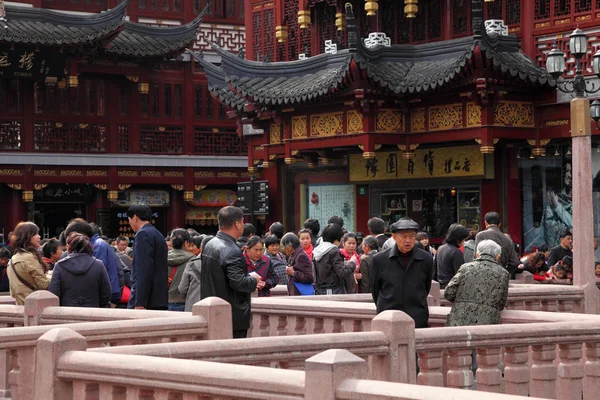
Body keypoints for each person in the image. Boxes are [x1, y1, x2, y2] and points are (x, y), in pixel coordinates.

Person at [201, 206, 261, 338]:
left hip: (212, 310)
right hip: (231, 314)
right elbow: (238, 283)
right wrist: (253, 279)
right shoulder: (231, 250)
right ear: (237, 224)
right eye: (243, 222)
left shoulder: (210, 244)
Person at [371, 218, 433, 328]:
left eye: (412, 236)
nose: (408, 240)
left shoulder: (426, 259)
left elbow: (426, 287)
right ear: (394, 237)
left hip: (417, 317)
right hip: (388, 317)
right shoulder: (380, 259)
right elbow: (375, 290)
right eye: (404, 236)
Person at [445, 240, 510, 327]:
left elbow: (448, 292)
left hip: (459, 319)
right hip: (488, 322)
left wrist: (463, 302)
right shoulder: (503, 274)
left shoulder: (466, 268)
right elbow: (501, 303)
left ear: (477, 254)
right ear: (497, 256)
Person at [65, 220, 122, 305]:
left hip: (105, 296)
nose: (71, 240)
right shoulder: (95, 244)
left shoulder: (98, 245)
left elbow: (97, 274)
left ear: (83, 235)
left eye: (72, 236)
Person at [48, 233, 112, 307]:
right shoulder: (98, 265)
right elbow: (106, 293)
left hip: (66, 312)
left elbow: (54, 293)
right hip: (92, 311)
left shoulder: (60, 266)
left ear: (69, 248)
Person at [127, 203, 169, 310]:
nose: (130, 223)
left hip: (146, 300)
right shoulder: (157, 234)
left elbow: (143, 269)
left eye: (129, 220)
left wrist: (140, 301)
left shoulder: (143, 234)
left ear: (135, 217)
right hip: (157, 297)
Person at [7, 222, 50, 305]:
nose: (39, 237)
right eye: (36, 234)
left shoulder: (13, 258)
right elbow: (44, 284)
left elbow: (12, 292)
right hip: (34, 306)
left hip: (21, 305)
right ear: (27, 236)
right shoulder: (29, 258)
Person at [313, 223, 357, 295]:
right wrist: (352, 263)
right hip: (333, 290)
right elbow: (342, 273)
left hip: (320, 290)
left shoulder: (316, 250)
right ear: (337, 238)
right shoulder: (333, 251)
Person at [474, 212, 520, 276]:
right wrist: (504, 272)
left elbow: (475, 257)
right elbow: (515, 262)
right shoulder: (507, 239)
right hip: (500, 276)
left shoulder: (480, 235)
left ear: (485, 223)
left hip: (483, 274)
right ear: (499, 225)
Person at [179, 235, 213, 312]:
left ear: (201, 248)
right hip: (216, 307)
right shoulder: (222, 264)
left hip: (194, 306)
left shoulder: (192, 265)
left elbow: (182, 289)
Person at [167, 228, 195, 311]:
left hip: (164, 300)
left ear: (171, 242)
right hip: (184, 301)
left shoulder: (162, 257)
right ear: (186, 243)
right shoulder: (192, 259)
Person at [434, 224, 469, 288]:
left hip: (439, 285)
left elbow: (434, 269)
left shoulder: (440, 248)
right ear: (458, 239)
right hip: (451, 287)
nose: (464, 242)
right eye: (464, 239)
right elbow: (459, 274)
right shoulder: (456, 252)